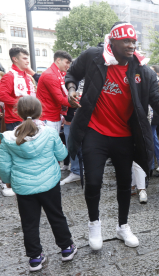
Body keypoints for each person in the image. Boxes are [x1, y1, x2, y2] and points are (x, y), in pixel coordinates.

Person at [64, 21, 159, 251]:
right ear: (113, 42)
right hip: (94, 131)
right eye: (126, 41)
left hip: (125, 135)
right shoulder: (93, 57)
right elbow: (72, 73)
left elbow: (158, 106)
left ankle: (122, 226)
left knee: (125, 183)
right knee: (94, 181)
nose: (131, 45)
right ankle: (94, 224)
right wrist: (70, 91)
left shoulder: (143, 71)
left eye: (133, 42)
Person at [0, 96, 77, 272]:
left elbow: (4, 168)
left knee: (29, 223)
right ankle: (66, 248)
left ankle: (35, 258)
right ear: (40, 111)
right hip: (49, 183)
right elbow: (61, 154)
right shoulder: (49, 133)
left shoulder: (8, 139)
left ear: (17, 112)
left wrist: (10, 181)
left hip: (24, 188)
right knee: (56, 215)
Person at [0, 47, 40, 197]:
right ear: (14, 59)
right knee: (14, 151)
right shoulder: (9, 76)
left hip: (28, 118)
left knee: (26, 150)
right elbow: (2, 95)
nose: (27, 61)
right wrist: (19, 104)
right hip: (15, 119)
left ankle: (24, 179)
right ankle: (8, 183)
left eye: (28, 58)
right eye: (24, 58)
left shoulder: (26, 76)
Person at [36, 50, 74, 132]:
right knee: (49, 144)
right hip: (48, 118)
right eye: (67, 62)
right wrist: (78, 103)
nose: (68, 66)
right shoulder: (50, 75)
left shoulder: (57, 73)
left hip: (54, 116)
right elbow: (60, 99)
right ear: (58, 60)